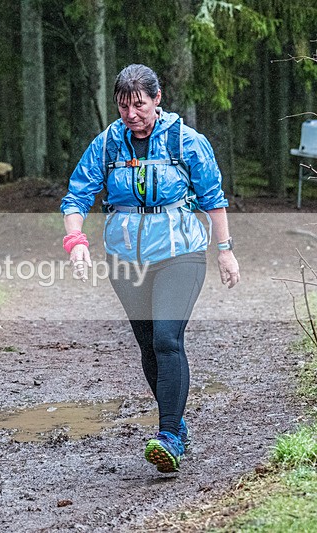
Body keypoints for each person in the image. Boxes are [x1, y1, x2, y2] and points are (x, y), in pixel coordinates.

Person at [60, 64, 240, 473]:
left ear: (157, 100)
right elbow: (77, 196)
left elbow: (213, 196)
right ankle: (176, 424)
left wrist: (225, 250)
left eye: (139, 105)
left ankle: (170, 434)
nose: (131, 114)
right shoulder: (108, 144)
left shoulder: (186, 142)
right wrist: (76, 242)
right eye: (123, 106)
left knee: (166, 339)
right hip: (125, 259)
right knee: (148, 346)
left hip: (181, 254)